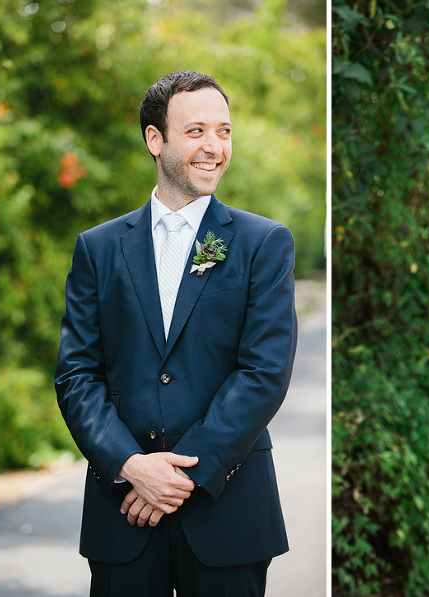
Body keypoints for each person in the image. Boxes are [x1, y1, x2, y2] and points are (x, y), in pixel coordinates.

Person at [55, 70, 297, 596]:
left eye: (225, 131)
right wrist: (129, 464)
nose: (214, 147)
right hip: (124, 513)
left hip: (228, 510)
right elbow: (76, 374)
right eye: (196, 131)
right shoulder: (97, 249)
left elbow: (264, 372)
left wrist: (180, 476)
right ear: (154, 139)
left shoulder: (263, 243)